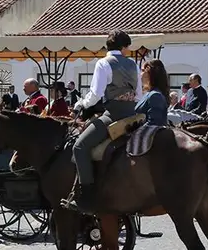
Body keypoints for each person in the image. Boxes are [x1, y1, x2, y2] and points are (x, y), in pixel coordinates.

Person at [65, 30, 143, 212]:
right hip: (132, 114)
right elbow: (139, 95)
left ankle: (88, 195)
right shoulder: (134, 65)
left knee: (79, 147)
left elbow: (96, 95)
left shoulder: (103, 63)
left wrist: (80, 103)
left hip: (113, 114)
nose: (128, 51)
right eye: (128, 48)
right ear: (123, 47)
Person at [134, 60, 170, 126]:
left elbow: (154, 124)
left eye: (142, 70)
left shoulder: (155, 95)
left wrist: (136, 133)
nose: (140, 74)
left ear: (149, 73)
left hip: (148, 135)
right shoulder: (150, 93)